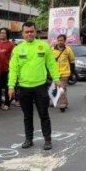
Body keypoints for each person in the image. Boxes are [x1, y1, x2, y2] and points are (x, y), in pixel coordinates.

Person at [8, 22, 61, 150]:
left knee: (44, 114)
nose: (29, 34)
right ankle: (28, 139)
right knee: (27, 116)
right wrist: (11, 86)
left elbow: (51, 64)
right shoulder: (17, 49)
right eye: (27, 32)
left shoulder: (44, 46)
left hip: (40, 87)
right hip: (24, 87)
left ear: (35, 32)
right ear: (23, 34)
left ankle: (47, 140)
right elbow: (13, 69)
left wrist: (56, 79)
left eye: (31, 31)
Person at [52, 34, 76, 112]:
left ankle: (62, 104)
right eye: (58, 40)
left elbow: (72, 61)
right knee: (60, 88)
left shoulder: (68, 50)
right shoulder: (52, 49)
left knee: (61, 88)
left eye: (61, 40)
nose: (60, 42)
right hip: (55, 73)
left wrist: (72, 73)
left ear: (65, 41)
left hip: (65, 72)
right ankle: (65, 102)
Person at [0, 28, 14, 111]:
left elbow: (13, 57)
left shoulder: (11, 44)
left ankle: (7, 103)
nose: (2, 34)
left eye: (4, 33)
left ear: (7, 34)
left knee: (7, 87)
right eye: (1, 33)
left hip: (7, 69)